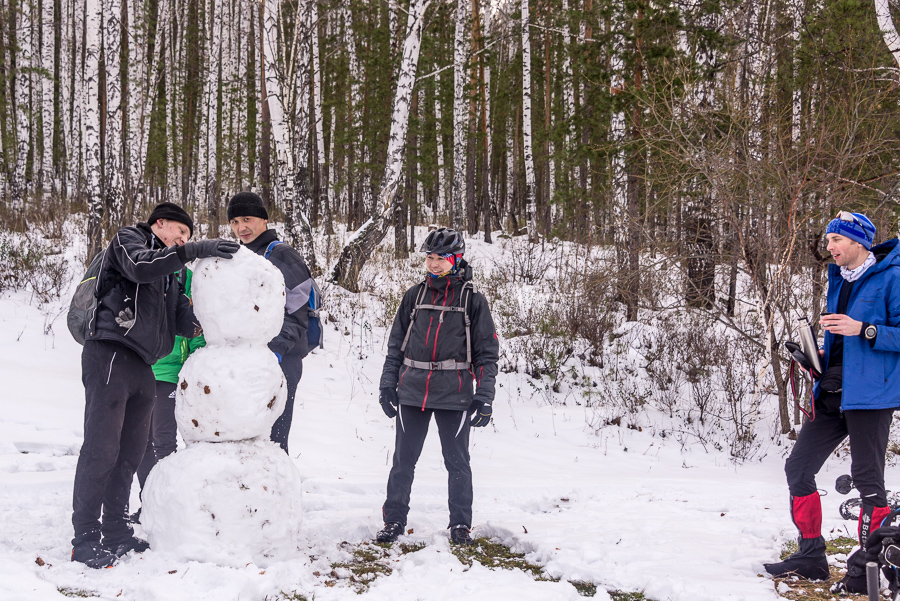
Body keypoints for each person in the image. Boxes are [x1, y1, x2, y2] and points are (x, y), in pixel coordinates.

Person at [72, 202, 239, 568]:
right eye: (179, 233)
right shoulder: (129, 241)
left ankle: (116, 530)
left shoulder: (174, 273)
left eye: (186, 238)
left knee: (130, 453)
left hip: (145, 365)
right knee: (101, 449)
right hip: (110, 354)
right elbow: (139, 267)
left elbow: (184, 321)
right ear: (159, 224)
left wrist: (223, 310)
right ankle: (84, 539)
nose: (181, 241)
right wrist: (194, 250)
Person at [764, 211, 900, 593]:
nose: (829, 247)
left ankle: (864, 570)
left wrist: (864, 329)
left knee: (870, 485)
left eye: (835, 240)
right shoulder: (839, 278)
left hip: (871, 396)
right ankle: (810, 557)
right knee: (799, 469)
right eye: (828, 241)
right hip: (833, 391)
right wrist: (815, 354)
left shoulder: (893, 275)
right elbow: (841, 341)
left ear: (858, 242)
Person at [375, 227, 499, 546]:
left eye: (441, 258)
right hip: (411, 391)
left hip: (455, 394)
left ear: (456, 260)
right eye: (430, 257)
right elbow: (395, 347)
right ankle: (393, 521)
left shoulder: (473, 300)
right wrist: (388, 385)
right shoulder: (414, 296)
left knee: (457, 461)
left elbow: (487, 353)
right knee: (403, 460)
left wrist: (484, 396)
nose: (434, 263)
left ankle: (460, 524)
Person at [227, 191, 313, 454]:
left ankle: (278, 492)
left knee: (274, 441)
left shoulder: (283, 255)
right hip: (251, 359)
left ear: (263, 219)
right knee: (249, 436)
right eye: (234, 222)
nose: (241, 228)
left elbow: (298, 310)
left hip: (281, 359)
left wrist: (275, 350)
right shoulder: (241, 256)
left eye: (247, 219)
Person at [132, 267, 206, 522]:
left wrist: (195, 362)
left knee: (162, 439)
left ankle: (167, 505)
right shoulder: (143, 271)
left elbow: (198, 324)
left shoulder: (188, 278)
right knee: (141, 443)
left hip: (171, 372)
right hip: (140, 367)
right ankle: (148, 502)